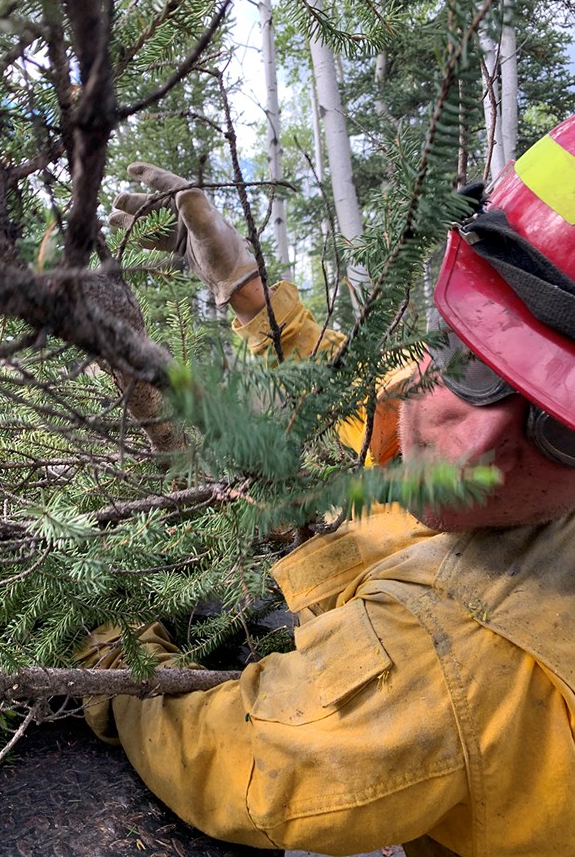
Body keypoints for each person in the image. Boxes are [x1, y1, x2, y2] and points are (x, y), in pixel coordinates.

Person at [79, 116, 575, 857]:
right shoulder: (537, 490)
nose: (464, 453)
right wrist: (248, 293)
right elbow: (378, 414)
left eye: (560, 429)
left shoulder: (463, 664)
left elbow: (243, 756)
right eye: (473, 353)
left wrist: (110, 642)